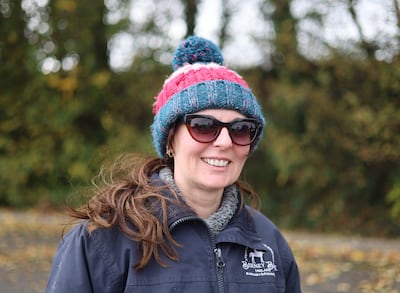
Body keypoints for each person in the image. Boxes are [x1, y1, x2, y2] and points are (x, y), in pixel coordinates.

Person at [46, 36, 302, 293]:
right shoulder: (102, 238)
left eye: (241, 129)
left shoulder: (268, 242)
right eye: (203, 126)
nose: (225, 142)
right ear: (170, 139)